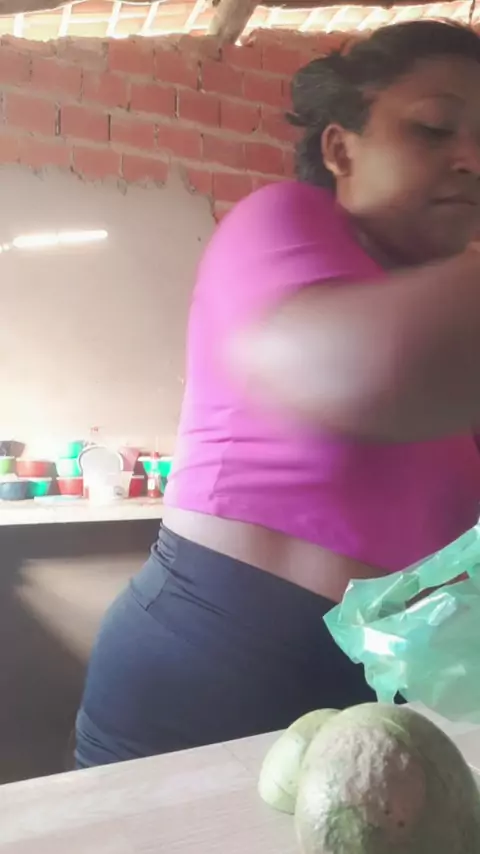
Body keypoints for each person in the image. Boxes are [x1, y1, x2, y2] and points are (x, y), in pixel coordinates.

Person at [75, 20, 480, 768]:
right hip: (207, 678)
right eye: (433, 128)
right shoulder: (284, 220)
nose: (472, 159)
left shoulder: (456, 332)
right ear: (340, 149)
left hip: (373, 709)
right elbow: (365, 370)